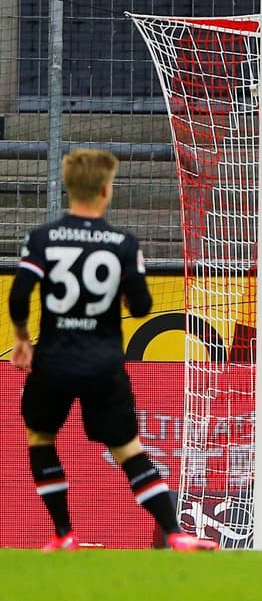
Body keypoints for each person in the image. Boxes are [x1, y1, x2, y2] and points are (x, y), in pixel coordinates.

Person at [8, 148, 218, 551]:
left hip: (53, 361)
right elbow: (141, 307)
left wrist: (20, 338)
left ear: (69, 189)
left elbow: (19, 296)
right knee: (128, 450)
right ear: (106, 191)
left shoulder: (42, 238)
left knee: (40, 438)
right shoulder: (122, 243)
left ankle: (64, 534)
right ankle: (174, 532)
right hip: (103, 365)